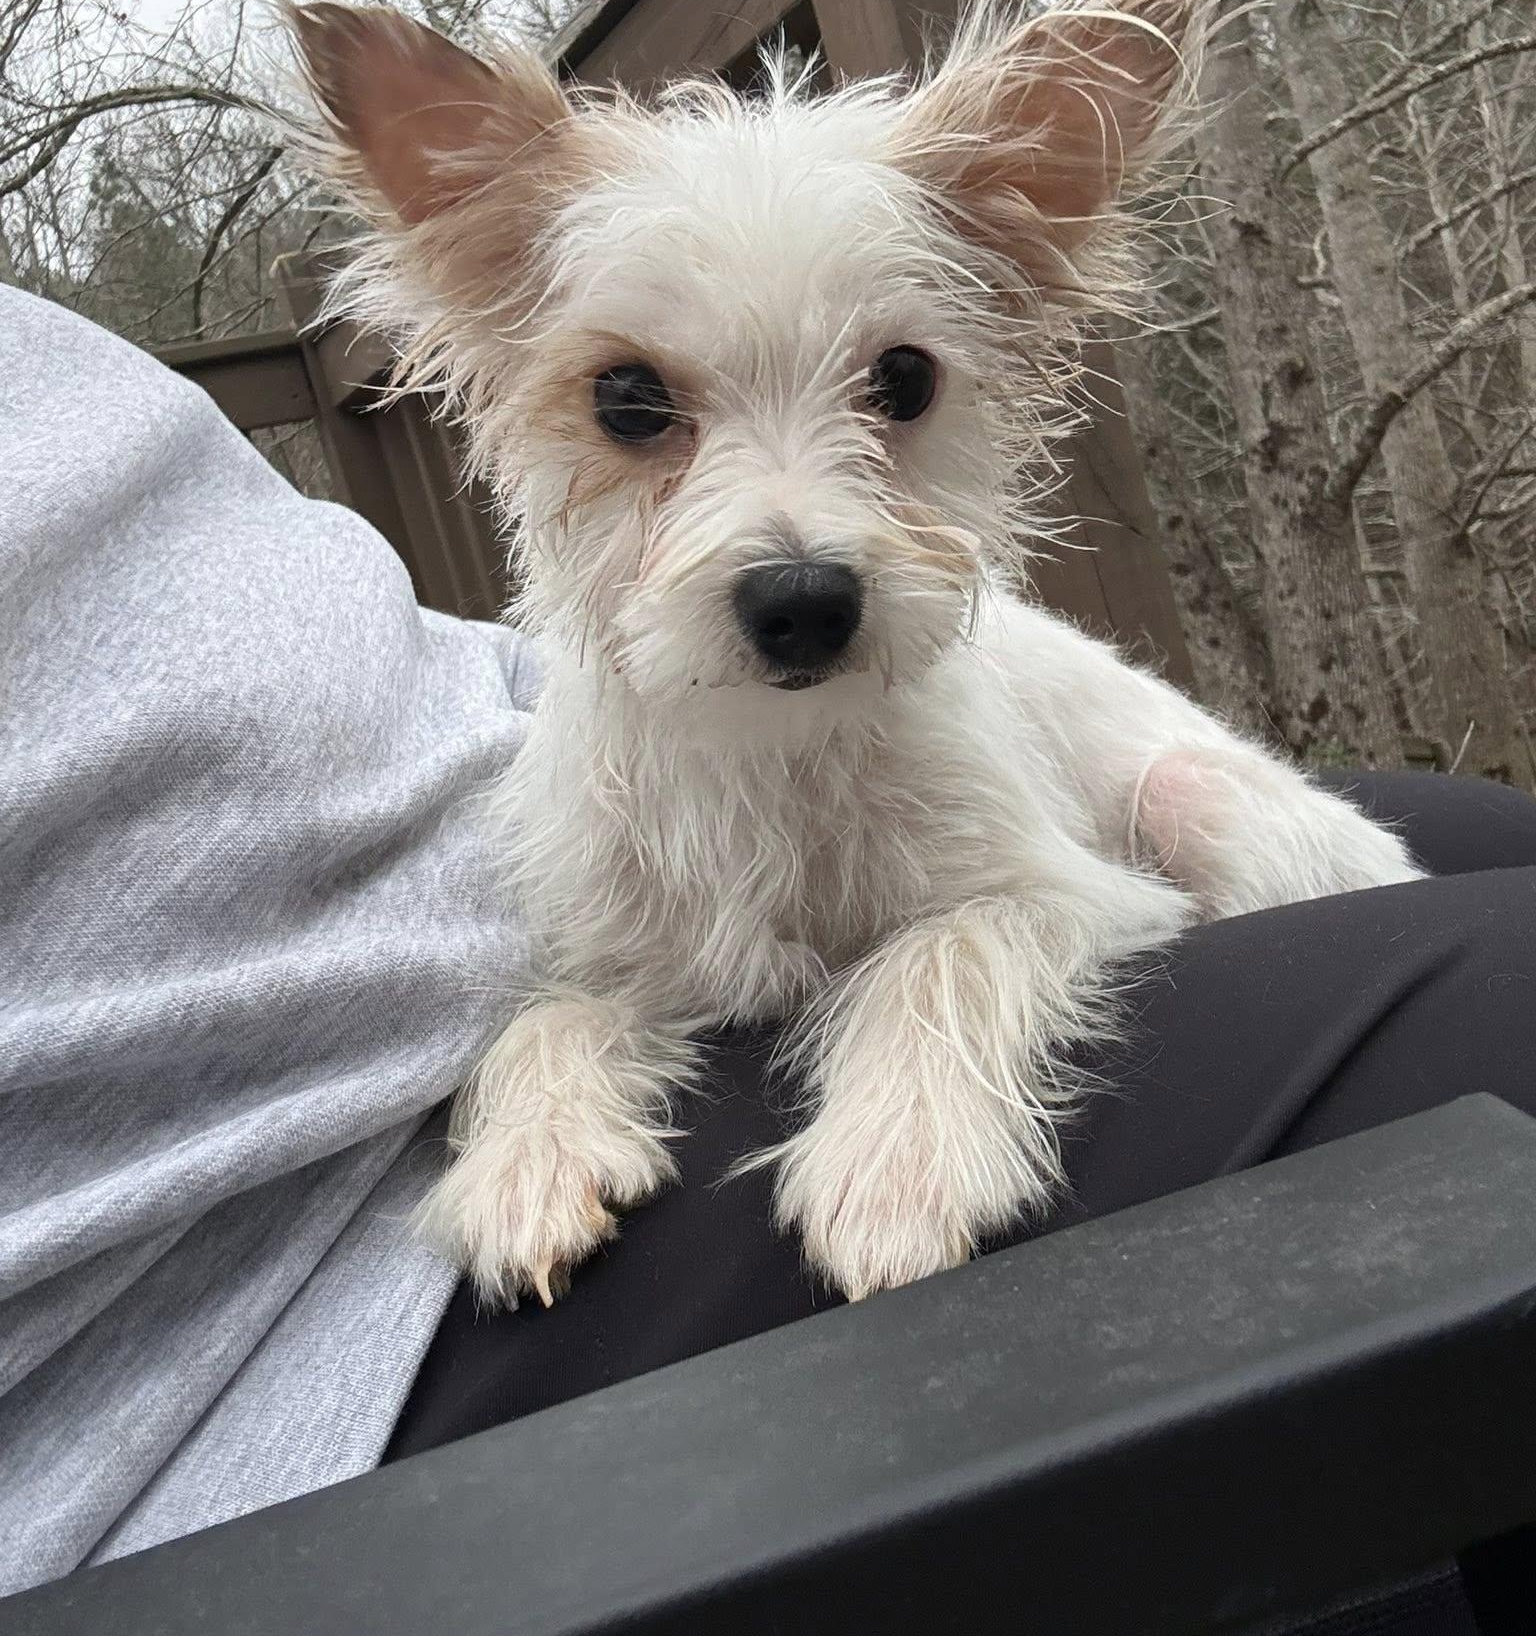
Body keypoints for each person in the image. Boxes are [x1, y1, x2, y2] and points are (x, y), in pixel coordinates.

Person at [4, 282, 1534, 1633]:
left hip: (654, 745)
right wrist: (544, 1076)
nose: (799, 527)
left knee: (1466, 839)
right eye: (638, 408)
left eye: (894, 388)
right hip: (269, 1309)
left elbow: (1061, 886)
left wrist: (927, 1031)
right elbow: (623, 966)